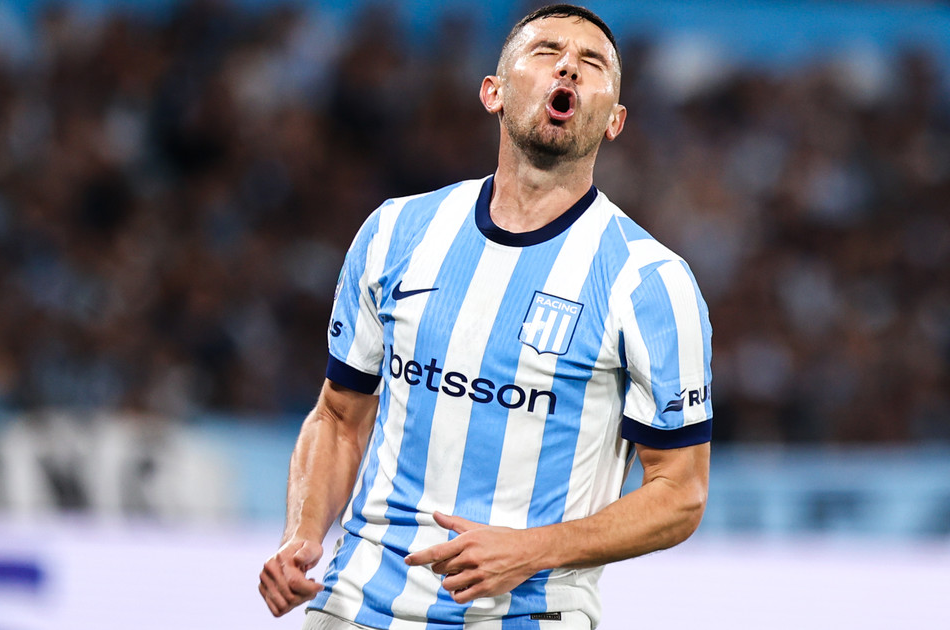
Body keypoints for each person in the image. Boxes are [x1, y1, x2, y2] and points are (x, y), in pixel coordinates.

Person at [258, 5, 713, 629]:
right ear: (492, 92)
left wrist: (533, 550)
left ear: (615, 120)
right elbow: (338, 417)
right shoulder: (396, 231)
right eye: (546, 51)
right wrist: (302, 534)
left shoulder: (650, 281)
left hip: (527, 614)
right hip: (353, 605)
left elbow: (680, 494)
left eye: (592, 63)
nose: (568, 68)